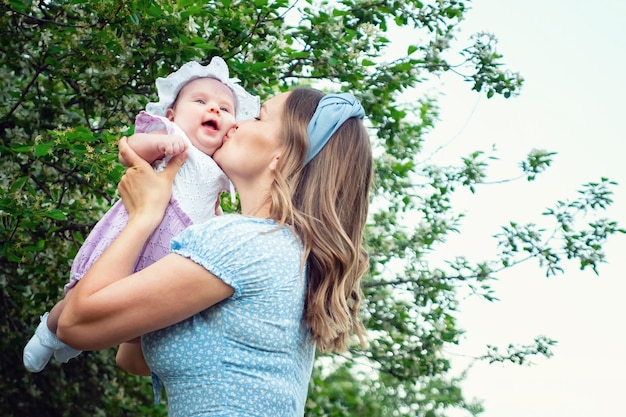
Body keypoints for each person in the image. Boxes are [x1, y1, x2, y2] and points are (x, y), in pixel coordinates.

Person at [57, 87, 373, 416]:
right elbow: (132, 356)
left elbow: (75, 324)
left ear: (282, 156)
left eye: (259, 117)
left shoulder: (245, 244)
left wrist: (145, 217)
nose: (236, 123)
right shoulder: (282, 249)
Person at [23, 57, 260, 373]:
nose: (213, 109)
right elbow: (129, 149)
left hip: (177, 251)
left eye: (225, 108)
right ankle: (50, 330)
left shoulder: (222, 162)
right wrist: (161, 143)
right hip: (144, 231)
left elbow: (215, 205)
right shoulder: (171, 135)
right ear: (172, 114)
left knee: (137, 318)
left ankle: (79, 335)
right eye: (200, 101)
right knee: (84, 294)